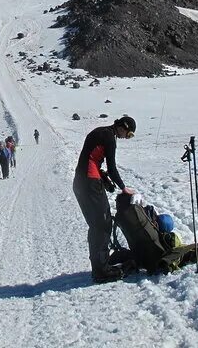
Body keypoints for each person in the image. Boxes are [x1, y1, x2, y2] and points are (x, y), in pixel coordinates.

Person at [73, 115, 137, 283]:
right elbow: (112, 166)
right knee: (102, 224)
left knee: (96, 225)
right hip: (89, 183)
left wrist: (103, 178)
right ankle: (101, 271)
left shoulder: (100, 132)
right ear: (122, 127)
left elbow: (90, 158)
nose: (125, 137)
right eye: (128, 134)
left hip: (81, 182)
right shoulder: (109, 137)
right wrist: (123, 187)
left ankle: (99, 265)